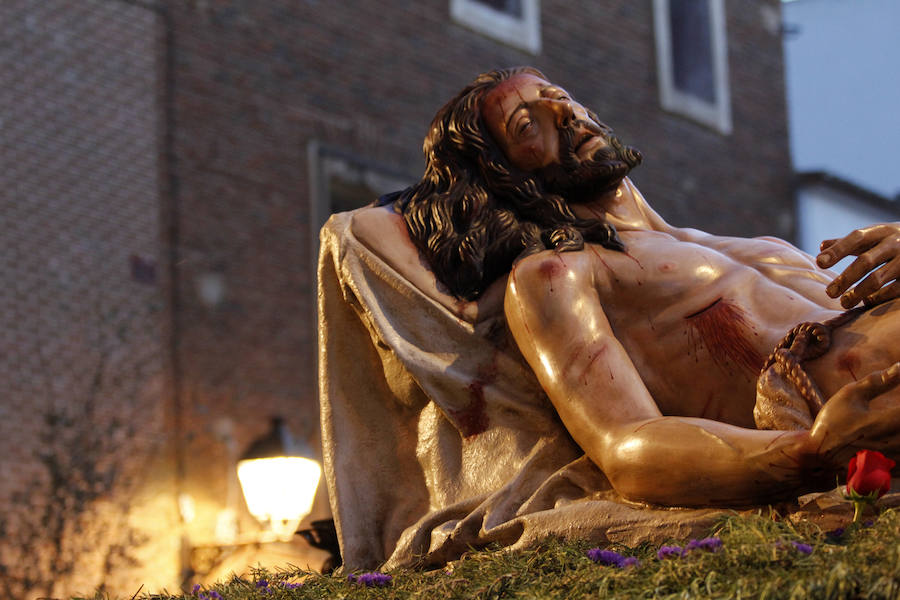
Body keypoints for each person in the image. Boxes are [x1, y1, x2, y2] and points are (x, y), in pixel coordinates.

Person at [391, 67, 900, 507]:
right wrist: (812, 452)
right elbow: (626, 445)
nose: (566, 114)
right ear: (503, 176)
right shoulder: (558, 275)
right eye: (528, 125)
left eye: (560, 98)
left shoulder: (756, 246)